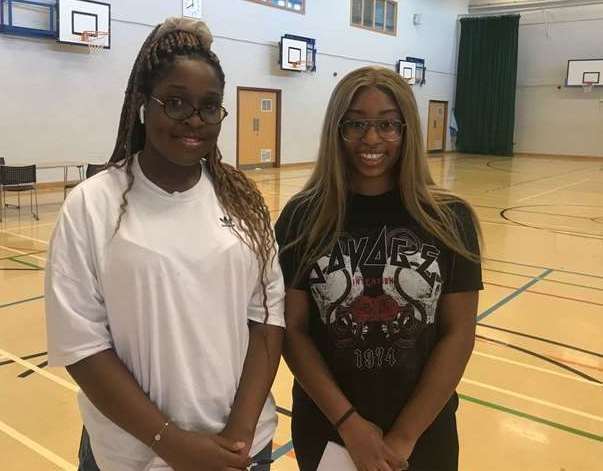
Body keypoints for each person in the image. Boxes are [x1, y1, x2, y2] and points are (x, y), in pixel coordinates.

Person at [45, 17, 284, 471]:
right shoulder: (93, 206)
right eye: (175, 103)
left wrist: (239, 436)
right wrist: (170, 442)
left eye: (209, 106)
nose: (194, 120)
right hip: (129, 456)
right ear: (142, 106)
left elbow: (267, 317)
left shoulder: (244, 203)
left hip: (242, 451)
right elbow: (81, 344)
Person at [275, 66, 483, 471]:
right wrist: (350, 425)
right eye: (356, 124)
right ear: (337, 130)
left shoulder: (450, 219)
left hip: (424, 433)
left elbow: (458, 334)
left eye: (388, 124)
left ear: (407, 131)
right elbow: (293, 330)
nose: (371, 139)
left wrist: (403, 438)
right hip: (329, 431)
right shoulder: (302, 217)